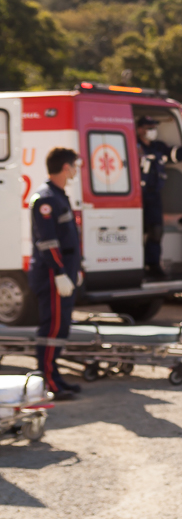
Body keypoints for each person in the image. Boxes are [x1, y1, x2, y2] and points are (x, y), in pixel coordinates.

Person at [29, 148, 82, 400]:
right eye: (74, 166)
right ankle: (47, 379)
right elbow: (48, 243)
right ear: (65, 167)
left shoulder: (59, 196)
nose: (75, 170)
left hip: (64, 273)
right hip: (52, 275)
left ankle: (55, 375)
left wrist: (75, 270)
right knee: (51, 329)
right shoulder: (46, 199)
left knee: (60, 328)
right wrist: (60, 272)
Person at [136, 115, 182, 280]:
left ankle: (153, 265)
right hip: (136, 197)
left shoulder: (158, 147)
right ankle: (136, 265)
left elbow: (178, 155)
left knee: (156, 231)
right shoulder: (134, 146)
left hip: (154, 196)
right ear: (140, 129)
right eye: (149, 128)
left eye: (153, 128)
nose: (152, 131)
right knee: (136, 232)